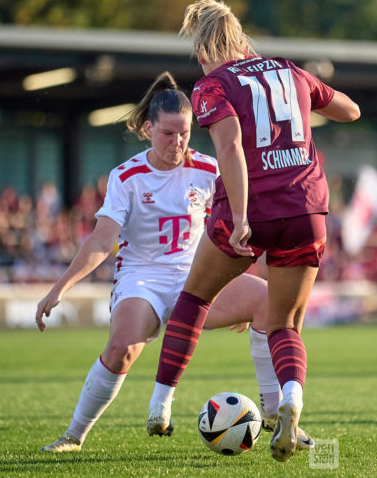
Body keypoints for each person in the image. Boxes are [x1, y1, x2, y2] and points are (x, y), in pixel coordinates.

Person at [35, 72, 314, 452]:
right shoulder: (127, 176)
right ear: (148, 128)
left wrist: (240, 280)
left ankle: (274, 415)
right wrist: (59, 288)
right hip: (142, 278)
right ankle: (74, 435)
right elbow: (102, 241)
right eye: (168, 133)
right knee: (122, 349)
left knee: (267, 303)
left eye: (184, 133)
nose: (177, 142)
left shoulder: (209, 169)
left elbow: (236, 228)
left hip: (198, 276)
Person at [145, 0, 360, 463]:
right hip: (306, 206)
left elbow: (230, 146)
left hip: (252, 208)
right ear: (241, 39)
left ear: (202, 51)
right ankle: (292, 403)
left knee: (194, 298)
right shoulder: (290, 71)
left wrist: (241, 216)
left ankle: (160, 405)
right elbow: (351, 111)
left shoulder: (210, 85)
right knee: (283, 323)